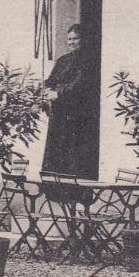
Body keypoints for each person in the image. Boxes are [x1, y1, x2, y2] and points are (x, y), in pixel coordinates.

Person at [41, 23, 101, 179]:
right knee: (57, 149)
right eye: (69, 39)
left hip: (76, 114)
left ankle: (73, 191)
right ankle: (54, 190)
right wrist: (47, 89)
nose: (72, 42)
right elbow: (51, 80)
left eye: (76, 38)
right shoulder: (63, 60)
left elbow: (79, 84)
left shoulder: (88, 60)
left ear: (83, 40)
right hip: (59, 113)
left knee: (73, 152)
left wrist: (59, 94)